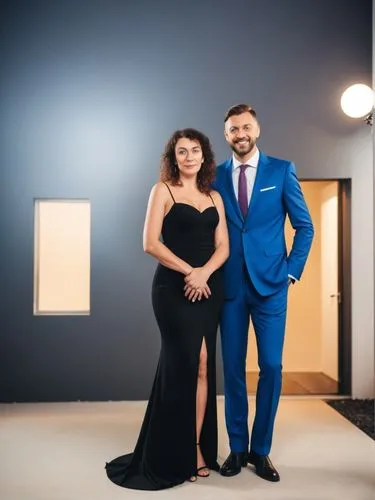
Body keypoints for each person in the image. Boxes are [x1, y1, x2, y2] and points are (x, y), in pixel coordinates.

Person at [105, 128, 229, 490]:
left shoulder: (215, 196)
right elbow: (149, 243)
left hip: (208, 288)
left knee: (205, 364)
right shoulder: (163, 190)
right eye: (181, 152)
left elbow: (223, 246)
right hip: (173, 289)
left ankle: (195, 448)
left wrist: (204, 273)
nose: (188, 157)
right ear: (173, 158)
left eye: (194, 151)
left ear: (204, 156)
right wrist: (190, 272)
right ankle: (174, 453)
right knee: (183, 366)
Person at [213, 104, 314, 482]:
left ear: (257, 129)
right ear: (226, 135)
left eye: (246, 127)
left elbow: (305, 227)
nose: (240, 133)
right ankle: (237, 448)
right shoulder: (215, 175)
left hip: (272, 286)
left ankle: (262, 450)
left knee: (271, 366)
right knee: (234, 369)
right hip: (230, 287)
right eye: (233, 129)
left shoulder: (281, 170)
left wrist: (291, 273)